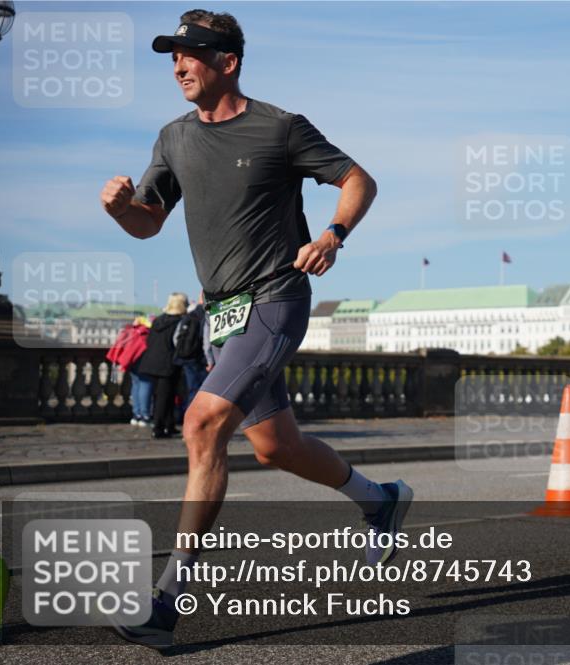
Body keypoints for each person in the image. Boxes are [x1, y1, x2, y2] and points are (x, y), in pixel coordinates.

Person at [99, 9, 410, 649]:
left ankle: (167, 599)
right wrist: (120, 208)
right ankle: (380, 501)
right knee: (276, 447)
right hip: (223, 314)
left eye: (189, 54)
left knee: (202, 422)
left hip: (276, 297)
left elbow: (358, 179)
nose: (177, 65)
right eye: (171, 56)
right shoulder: (173, 138)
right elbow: (148, 221)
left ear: (227, 62)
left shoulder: (279, 128)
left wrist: (333, 234)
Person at [138, 293, 188, 438]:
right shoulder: (180, 321)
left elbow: (149, 342)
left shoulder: (158, 320)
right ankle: (159, 428)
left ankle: (169, 424)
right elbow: (178, 344)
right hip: (168, 364)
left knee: (161, 396)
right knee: (165, 397)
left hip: (152, 362)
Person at [107, 316, 153, 426]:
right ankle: (145, 415)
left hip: (131, 362)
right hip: (144, 363)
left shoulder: (131, 331)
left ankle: (136, 414)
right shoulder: (145, 333)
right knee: (145, 386)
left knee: (136, 386)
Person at [172, 298, 208, 411]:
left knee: (190, 388)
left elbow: (176, 338)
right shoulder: (205, 315)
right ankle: (196, 416)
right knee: (201, 390)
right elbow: (206, 340)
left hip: (185, 358)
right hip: (199, 359)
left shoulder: (188, 316)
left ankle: (186, 415)